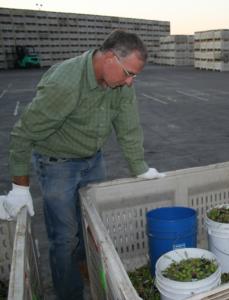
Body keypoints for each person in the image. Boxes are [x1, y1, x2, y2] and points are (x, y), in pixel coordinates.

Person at [1, 29, 165, 300]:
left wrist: (140, 167)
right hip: (57, 166)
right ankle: (70, 293)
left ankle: (85, 269)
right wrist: (20, 186)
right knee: (65, 238)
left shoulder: (119, 84)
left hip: (93, 161)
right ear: (110, 58)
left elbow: (128, 128)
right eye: (128, 73)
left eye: (135, 75)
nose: (130, 82)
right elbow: (23, 133)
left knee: (89, 228)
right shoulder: (66, 83)